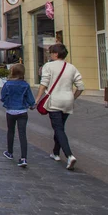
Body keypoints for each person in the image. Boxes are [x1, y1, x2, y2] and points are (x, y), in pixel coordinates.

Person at [34, 43, 85, 171]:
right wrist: (73, 97)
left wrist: (37, 99)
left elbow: (43, 84)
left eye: (51, 52)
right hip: (68, 101)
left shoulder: (48, 66)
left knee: (58, 128)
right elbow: (80, 87)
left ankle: (69, 155)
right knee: (60, 127)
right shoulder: (71, 67)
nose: (50, 55)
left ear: (56, 54)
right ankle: (56, 152)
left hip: (54, 101)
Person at [1, 64, 36, 167]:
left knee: (10, 131)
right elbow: (31, 100)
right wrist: (32, 105)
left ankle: (10, 152)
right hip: (22, 111)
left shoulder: (7, 84)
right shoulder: (25, 85)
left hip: (10, 111)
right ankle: (23, 158)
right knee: (22, 134)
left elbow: (2, 97)